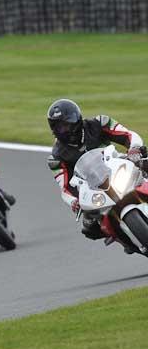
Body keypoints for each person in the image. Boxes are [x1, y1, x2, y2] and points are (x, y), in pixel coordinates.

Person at [46, 98, 144, 243]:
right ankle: (123, 239)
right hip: (93, 188)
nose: (64, 130)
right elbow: (65, 188)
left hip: (118, 165)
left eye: (66, 124)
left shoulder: (100, 123)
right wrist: (74, 202)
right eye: (59, 127)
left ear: (76, 119)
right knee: (89, 227)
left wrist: (134, 148)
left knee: (144, 163)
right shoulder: (55, 157)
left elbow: (128, 135)